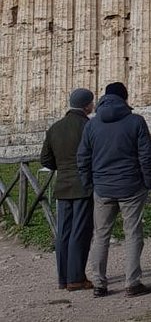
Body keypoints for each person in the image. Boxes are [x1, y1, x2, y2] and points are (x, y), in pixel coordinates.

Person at [78, 82, 151, 298]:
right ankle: (132, 282)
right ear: (125, 98)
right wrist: (149, 181)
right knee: (133, 233)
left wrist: (89, 184)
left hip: (102, 188)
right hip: (131, 186)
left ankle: (99, 284)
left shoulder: (92, 125)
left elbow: (82, 157)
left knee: (101, 235)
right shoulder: (135, 121)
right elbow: (146, 155)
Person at [40, 88, 95, 291]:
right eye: (91, 102)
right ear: (86, 105)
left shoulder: (55, 128)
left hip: (63, 185)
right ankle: (76, 278)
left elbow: (45, 159)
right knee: (80, 232)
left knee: (63, 232)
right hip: (83, 185)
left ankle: (63, 278)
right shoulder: (88, 126)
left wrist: (62, 168)